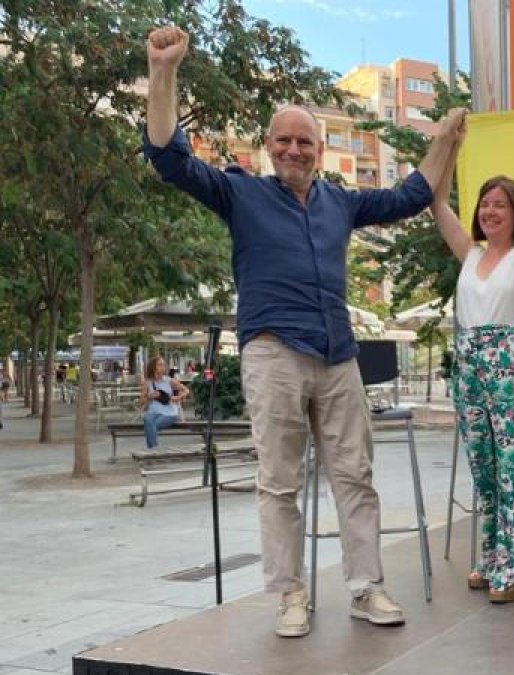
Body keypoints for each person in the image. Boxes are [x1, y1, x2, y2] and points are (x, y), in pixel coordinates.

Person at [143, 25, 462, 638]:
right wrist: (163, 73)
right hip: (273, 350)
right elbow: (168, 157)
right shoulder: (240, 193)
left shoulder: (341, 201)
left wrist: (445, 138)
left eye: (304, 141)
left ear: (318, 150)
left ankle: (366, 588)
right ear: (268, 147)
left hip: (338, 353)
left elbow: (410, 195)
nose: (294, 149)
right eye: (284, 140)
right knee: (280, 482)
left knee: (356, 477)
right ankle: (291, 595)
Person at [431, 117, 514, 604]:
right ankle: (491, 556)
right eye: (485, 203)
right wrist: (451, 146)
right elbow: (437, 204)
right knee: (484, 468)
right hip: (469, 366)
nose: (489, 211)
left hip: (511, 367)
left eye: (501, 204)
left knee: (513, 468)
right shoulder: (469, 254)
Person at [139, 356, 190, 450]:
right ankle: (154, 450)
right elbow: (141, 403)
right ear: (153, 367)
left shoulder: (169, 380)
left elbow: (186, 390)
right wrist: (149, 397)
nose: (163, 367)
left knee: (151, 426)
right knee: (147, 418)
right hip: (153, 412)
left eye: (163, 365)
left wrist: (178, 398)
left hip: (169, 413)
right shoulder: (147, 383)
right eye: (160, 365)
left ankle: (152, 450)